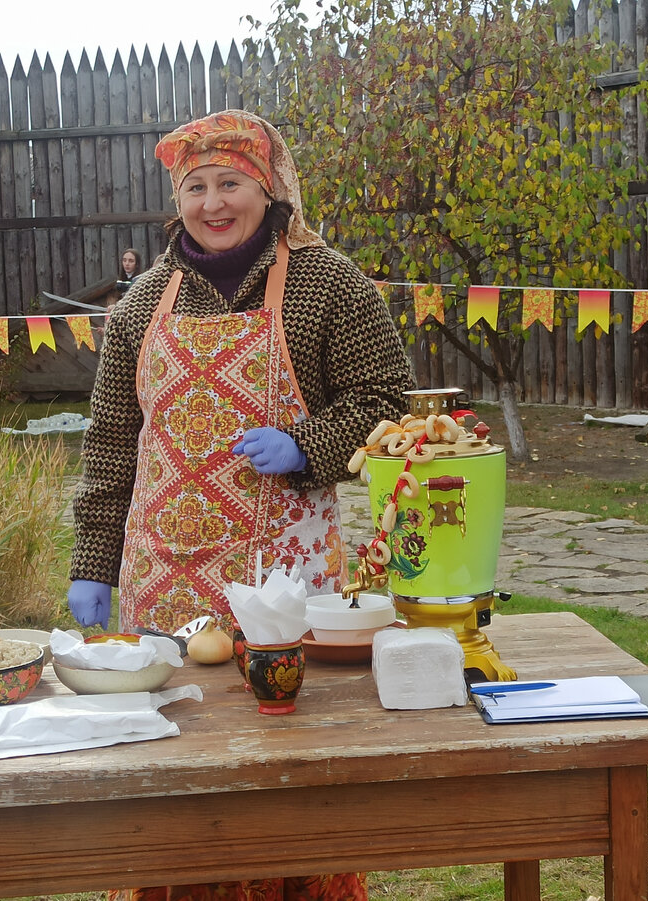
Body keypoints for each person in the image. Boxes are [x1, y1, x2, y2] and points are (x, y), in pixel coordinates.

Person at [66, 110, 413, 901]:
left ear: (269, 188)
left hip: (284, 593)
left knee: (284, 776)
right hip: (165, 584)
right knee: (172, 775)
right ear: (176, 200)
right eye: (196, 187)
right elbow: (114, 438)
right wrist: (94, 561)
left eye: (231, 183)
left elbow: (386, 400)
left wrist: (308, 445)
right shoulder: (143, 301)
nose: (213, 202)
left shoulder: (330, 285)